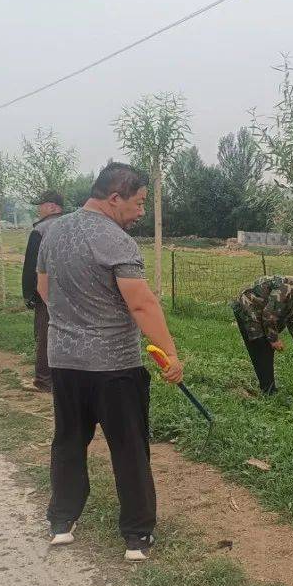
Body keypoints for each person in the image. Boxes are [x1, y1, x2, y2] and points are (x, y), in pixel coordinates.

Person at [36, 163, 183, 561]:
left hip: (64, 362)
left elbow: (43, 287)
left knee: (68, 441)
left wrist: (75, 324)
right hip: (114, 367)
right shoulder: (115, 241)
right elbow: (140, 302)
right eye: (137, 204)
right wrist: (170, 352)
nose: (139, 213)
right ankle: (137, 536)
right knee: (129, 447)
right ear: (114, 197)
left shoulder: (51, 231)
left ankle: (62, 522)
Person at [231, 273, 293, 395]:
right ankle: (268, 390)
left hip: (259, 312)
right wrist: (274, 340)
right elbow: (269, 315)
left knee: (265, 348)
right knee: (261, 346)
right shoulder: (287, 288)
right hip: (249, 309)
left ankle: (268, 387)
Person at [20, 190, 65, 392]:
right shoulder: (71, 225)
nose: (39, 209)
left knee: (45, 333)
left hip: (47, 291)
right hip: (72, 290)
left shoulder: (40, 230)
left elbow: (32, 266)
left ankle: (44, 380)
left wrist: (29, 294)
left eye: (42, 205)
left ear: (52, 206)